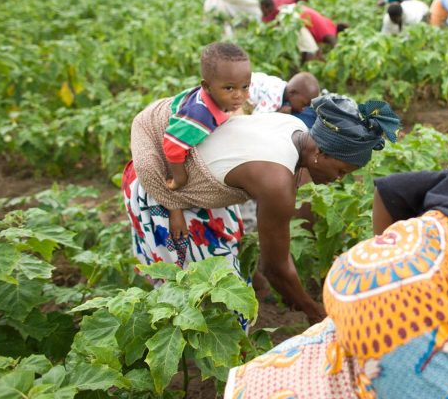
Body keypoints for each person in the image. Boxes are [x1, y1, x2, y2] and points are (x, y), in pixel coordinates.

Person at [226, 71, 448, 399]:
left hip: (353, 283)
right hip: (407, 329)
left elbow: (387, 191)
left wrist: (390, 255)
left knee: (344, 361)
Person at [123, 93, 400, 325]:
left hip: (197, 181)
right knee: (203, 301)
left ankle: (256, 294)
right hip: (165, 186)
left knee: (227, 270)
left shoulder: (293, 127)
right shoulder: (276, 181)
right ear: (321, 153)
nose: (339, 179)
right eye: (341, 171)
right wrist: (316, 312)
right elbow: (275, 266)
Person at [163, 43, 251, 192]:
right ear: (206, 87)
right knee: (171, 193)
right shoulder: (198, 117)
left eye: (245, 86)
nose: (239, 95)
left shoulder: (223, 99)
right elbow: (172, 147)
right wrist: (179, 179)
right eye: (229, 88)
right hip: (173, 127)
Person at [248, 71, 320, 117]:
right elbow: (256, 118)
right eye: (304, 104)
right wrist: (278, 114)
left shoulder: (279, 83)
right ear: (292, 92)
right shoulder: (275, 98)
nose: (303, 109)